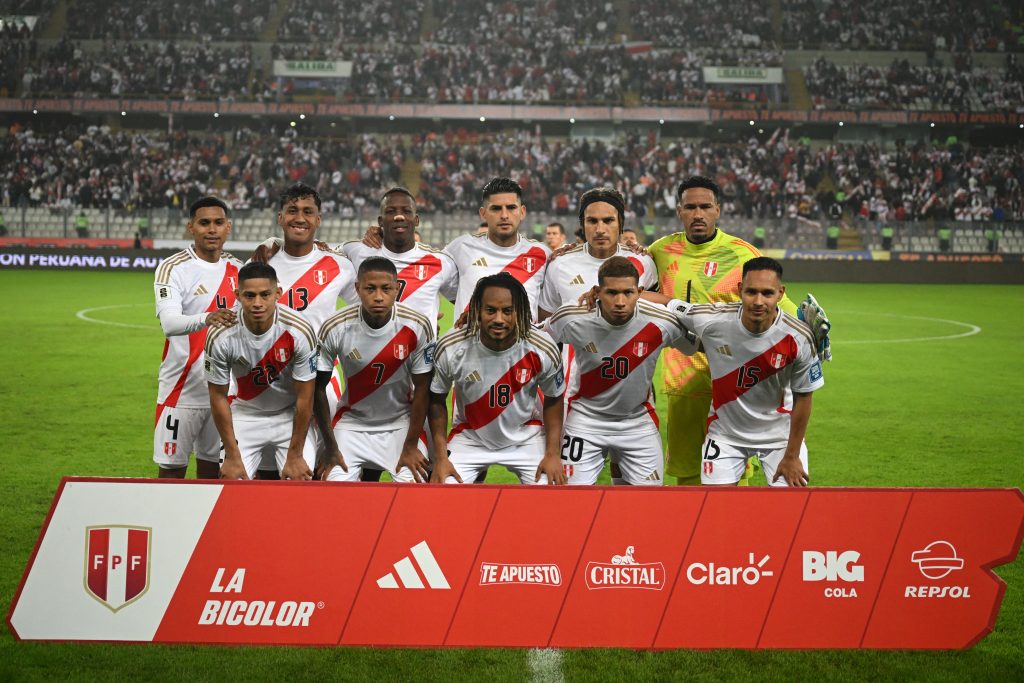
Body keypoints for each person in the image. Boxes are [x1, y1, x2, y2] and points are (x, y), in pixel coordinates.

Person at [649, 175, 798, 486]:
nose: (698, 214)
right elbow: (630, 284)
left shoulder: (742, 254)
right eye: (690, 207)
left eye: (705, 206)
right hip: (683, 375)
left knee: (732, 463)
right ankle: (692, 529)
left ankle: (731, 529)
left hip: (733, 377)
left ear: (718, 209)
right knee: (687, 463)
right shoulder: (661, 251)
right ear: (679, 211)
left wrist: (808, 327)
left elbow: (779, 302)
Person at [669, 257, 824, 487]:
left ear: (781, 293)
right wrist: (601, 296)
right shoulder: (713, 319)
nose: (758, 301)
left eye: (767, 293)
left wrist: (792, 456)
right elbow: (667, 303)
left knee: (789, 511)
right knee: (716, 508)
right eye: (751, 292)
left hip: (780, 437)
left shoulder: (799, 337)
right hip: (726, 435)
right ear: (740, 290)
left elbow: (804, 398)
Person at [545, 257, 695, 485]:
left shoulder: (662, 322)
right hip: (585, 420)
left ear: (640, 291)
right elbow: (537, 339)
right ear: (596, 292)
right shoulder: (572, 317)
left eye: (628, 293)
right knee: (570, 499)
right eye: (611, 293)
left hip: (637, 422)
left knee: (649, 505)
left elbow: (698, 346)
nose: (620, 301)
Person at [427, 273, 566, 485]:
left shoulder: (542, 346)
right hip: (470, 436)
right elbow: (436, 400)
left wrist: (553, 454)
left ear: (519, 312)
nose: (499, 319)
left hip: (526, 436)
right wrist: (440, 458)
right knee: (444, 487)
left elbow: (554, 398)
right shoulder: (452, 345)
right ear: (477, 311)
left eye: (507, 311)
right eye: (490, 310)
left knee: (552, 487)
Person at [314, 257, 435, 483]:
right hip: (351, 424)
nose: (378, 296)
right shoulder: (336, 326)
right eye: (370, 289)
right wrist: (330, 447)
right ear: (358, 289)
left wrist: (410, 446)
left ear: (397, 289)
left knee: (413, 484)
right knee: (333, 487)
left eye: (386, 289)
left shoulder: (416, 325)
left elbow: (422, 390)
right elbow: (317, 388)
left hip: (401, 424)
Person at [152, 196, 241, 479]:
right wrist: (208, 317)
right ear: (191, 227)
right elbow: (169, 322)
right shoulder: (173, 267)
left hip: (224, 392)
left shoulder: (239, 269)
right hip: (181, 391)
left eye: (218, 223)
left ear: (228, 227)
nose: (211, 229)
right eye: (204, 223)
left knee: (213, 473)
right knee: (171, 473)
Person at [205, 262, 318, 481]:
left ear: (278, 293)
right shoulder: (220, 334)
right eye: (250, 296)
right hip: (246, 415)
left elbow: (306, 397)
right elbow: (217, 396)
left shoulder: (299, 330)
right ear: (238, 295)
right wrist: (231, 454)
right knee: (231, 482)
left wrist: (295, 455)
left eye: (265, 295)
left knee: (299, 481)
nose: (258, 303)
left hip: (288, 415)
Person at [538, 188, 656, 321]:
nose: (600, 230)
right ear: (583, 224)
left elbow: (657, 316)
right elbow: (546, 324)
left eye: (608, 220)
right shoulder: (559, 264)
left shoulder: (644, 262)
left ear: (620, 223)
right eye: (592, 221)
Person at [444, 177, 551, 321]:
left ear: (522, 212)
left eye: (511, 207)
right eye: (496, 208)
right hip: (468, 343)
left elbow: (550, 303)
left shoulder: (541, 254)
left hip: (523, 343)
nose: (504, 215)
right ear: (483, 214)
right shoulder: (460, 247)